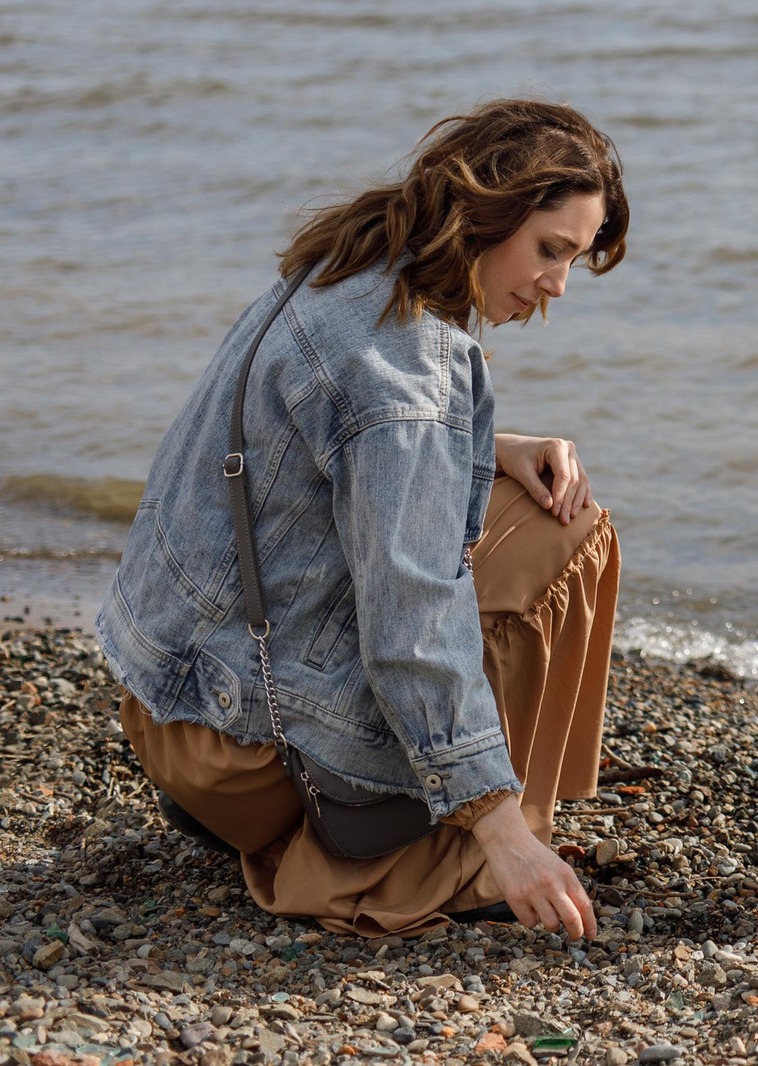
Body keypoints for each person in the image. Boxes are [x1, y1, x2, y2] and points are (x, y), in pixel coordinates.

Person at [95, 99, 630, 938]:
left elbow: (323, 436)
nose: (558, 284)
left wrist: (493, 443)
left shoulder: (357, 260)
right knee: (568, 531)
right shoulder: (407, 372)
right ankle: (449, 846)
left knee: (516, 495)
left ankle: (302, 808)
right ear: (487, 210)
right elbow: (411, 620)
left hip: (170, 705)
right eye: (551, 249)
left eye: (575, 259)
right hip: (240, 750)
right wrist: (497, 827)